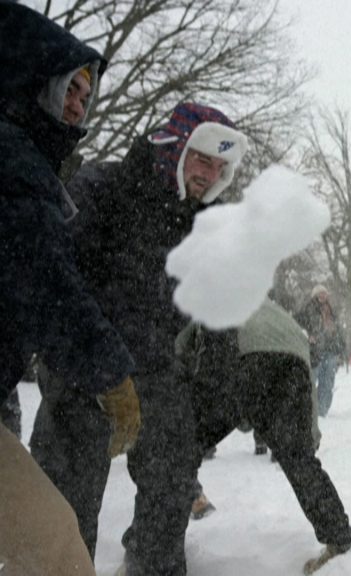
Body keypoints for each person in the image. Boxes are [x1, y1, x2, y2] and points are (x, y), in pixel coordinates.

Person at [30, 100, 247, 575]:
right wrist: (97, 365)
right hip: (82, 365)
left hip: (154, 369)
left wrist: (214, 389)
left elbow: (220, 314)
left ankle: (153, 567)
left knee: (171, 486)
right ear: (175, 148)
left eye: (220, 167)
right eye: (202, 160)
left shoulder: (205, 229)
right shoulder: (104, 189)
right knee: (65, 506)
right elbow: (52, 277)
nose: (210, 175)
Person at [0, 3, 139, 572]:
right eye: (70, 88)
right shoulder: (15, 165)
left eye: (88, 94)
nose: (80, 104)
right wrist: (113, 374)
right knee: (55, 548)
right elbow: (49, 286)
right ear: (34, 83)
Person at [178, 295, 351, 573]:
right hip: (289, 359)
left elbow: (180, 351)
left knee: (178, 451)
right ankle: (339, 539)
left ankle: (156, 551)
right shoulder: (276, 312)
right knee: (299, 460)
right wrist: (308, 436)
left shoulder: (208, 300)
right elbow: (304, 372)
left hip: (240, 352)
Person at [297, 284, 346, 417]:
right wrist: (307, 335)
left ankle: (322, 410)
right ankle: (310, 408)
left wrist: (341, 351)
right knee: (311, 380)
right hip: (314, 351)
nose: (322, 296)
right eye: (320, 294)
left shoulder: (332, 311)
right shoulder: (307, 309)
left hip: (331, 351)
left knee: (328, 382)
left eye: (324, 294)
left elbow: (340, 331)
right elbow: (299, 325)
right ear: (315, 296)